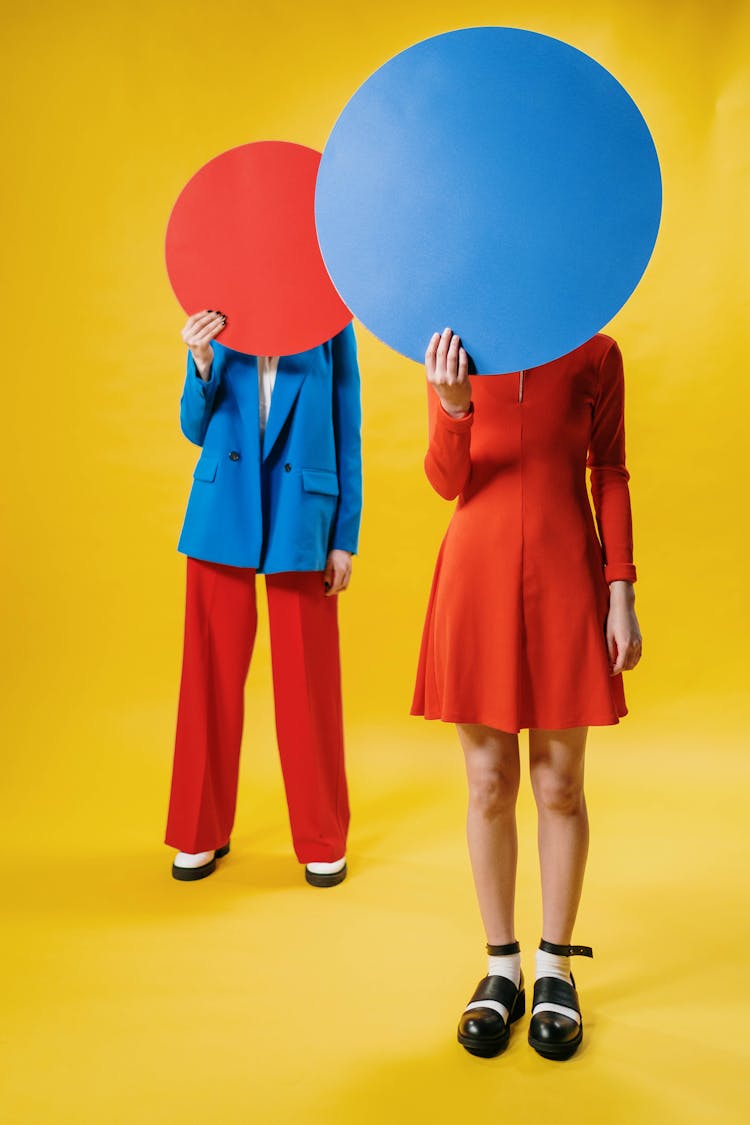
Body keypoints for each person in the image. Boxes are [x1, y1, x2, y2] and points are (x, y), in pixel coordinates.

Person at [412, 327, 642, 1060]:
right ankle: (500, 967)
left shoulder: (595, 352)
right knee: (487, 783)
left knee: (560, 784)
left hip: (564, 571)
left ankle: (555, 967)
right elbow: (448, 481)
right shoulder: (452, 348)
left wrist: (621, 591)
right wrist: (453, 407)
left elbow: (609, 470)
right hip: (475, 576)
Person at [165, 309, 362, 888]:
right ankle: (200, 831)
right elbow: (194, 428)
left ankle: (323, 836)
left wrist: (343, 538)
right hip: (222, 510)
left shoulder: (329, 323)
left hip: (304, 511)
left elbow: (347, 429)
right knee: (208, 675)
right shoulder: (219, 319)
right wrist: (200, 362)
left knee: (309, 681)